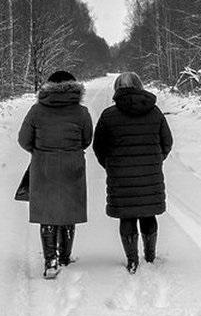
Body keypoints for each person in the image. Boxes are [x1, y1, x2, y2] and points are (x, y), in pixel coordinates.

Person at [93, 72, 173, 274]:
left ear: (116, 89)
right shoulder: (154, 113)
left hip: (120, 176)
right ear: (140, 86)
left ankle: (132, 260)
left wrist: (111, 165)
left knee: (126, 216)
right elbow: (167, 142)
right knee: (148, 213)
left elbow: (99, 147)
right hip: (150, 173)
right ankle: (150, 255)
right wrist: (155, 161)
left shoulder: (109, 115)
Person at [18, 71, 93, 279]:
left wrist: (40, 151)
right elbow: (86, 140)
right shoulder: (81, 112)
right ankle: (65, 257)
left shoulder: (36, 111)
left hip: (43, 166)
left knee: (47, 214)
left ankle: (50, 260)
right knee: (69, 211)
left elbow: (23, 140)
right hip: (72, 166)